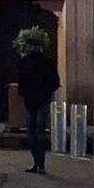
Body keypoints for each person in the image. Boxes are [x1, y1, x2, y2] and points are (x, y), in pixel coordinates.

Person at [14, 31, 60, 175]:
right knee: (39, 132)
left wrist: (24, 93)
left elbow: (21, 82)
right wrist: (46, 92)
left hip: (31, 101)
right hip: (42, 100)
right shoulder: (48, 62)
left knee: (33, 133)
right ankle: (40, 164)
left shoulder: (25, 62)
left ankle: (37, 162)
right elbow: (55, 82)